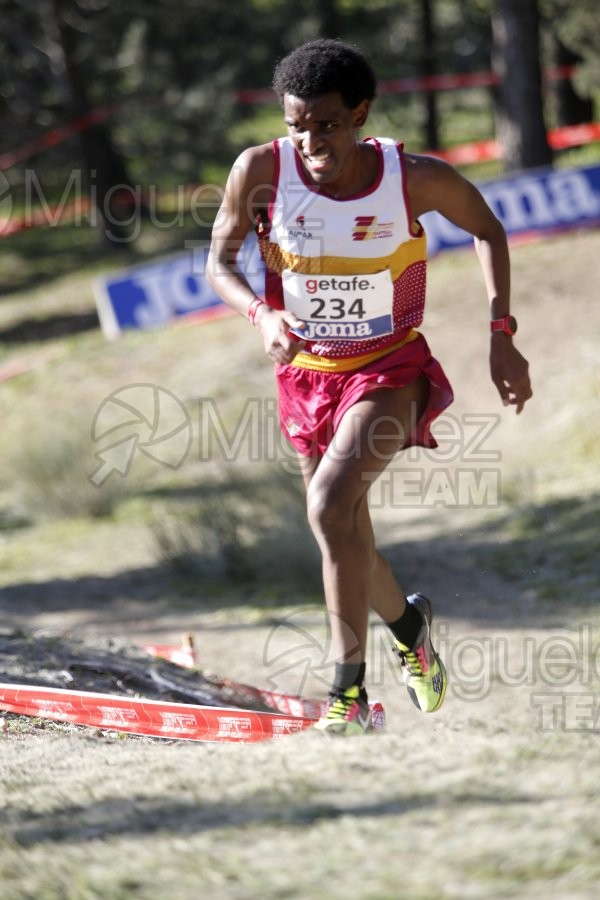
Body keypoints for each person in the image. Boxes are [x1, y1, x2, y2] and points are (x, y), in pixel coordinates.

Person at [207, 38, 532, 736]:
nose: (312, 141)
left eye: (327, 124)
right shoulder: (261, 169)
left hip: (390, 369)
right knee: (344, 535)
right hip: (304, 374)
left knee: (327, 507)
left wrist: (500, 332)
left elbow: (488, 228)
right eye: (299, 125)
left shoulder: (410, 177)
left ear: (360, 113)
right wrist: (261, 312)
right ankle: (411, 628)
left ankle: (347, 701)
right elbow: (219, 260)